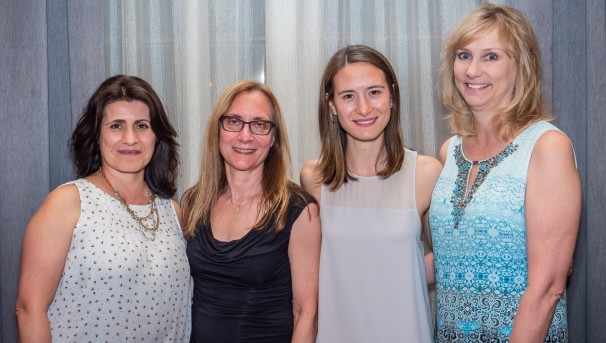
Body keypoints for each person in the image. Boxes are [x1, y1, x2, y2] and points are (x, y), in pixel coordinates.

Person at [427, 3, 581, 342]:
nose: (472, 70)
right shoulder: (449, 151)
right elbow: (451, 257)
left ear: (521, 66)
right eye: (464, 55)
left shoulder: (546, 147)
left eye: (491, 57)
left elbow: (548, 287)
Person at [15, 75, 191, 342]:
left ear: (157, 136)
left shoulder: (172, 212)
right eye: (116, 126)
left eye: (142, 126)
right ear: (97, 135)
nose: (130, 139)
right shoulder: (68, 203)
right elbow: (30, 309)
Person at [300, 45, 442, 342]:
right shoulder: (314, 178)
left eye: (374, 92)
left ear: (392, 95)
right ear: (331, 105)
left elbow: (447, 260)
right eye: (348, 96)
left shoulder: (427, 173)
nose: (364, 108)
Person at [182, 80, 321, 343]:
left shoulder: (298, 210)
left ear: (273, 138)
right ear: (218, 130)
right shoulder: (194, 202)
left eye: (259, 124)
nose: (245, 136)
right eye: (234, 121)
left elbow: (306, 313)